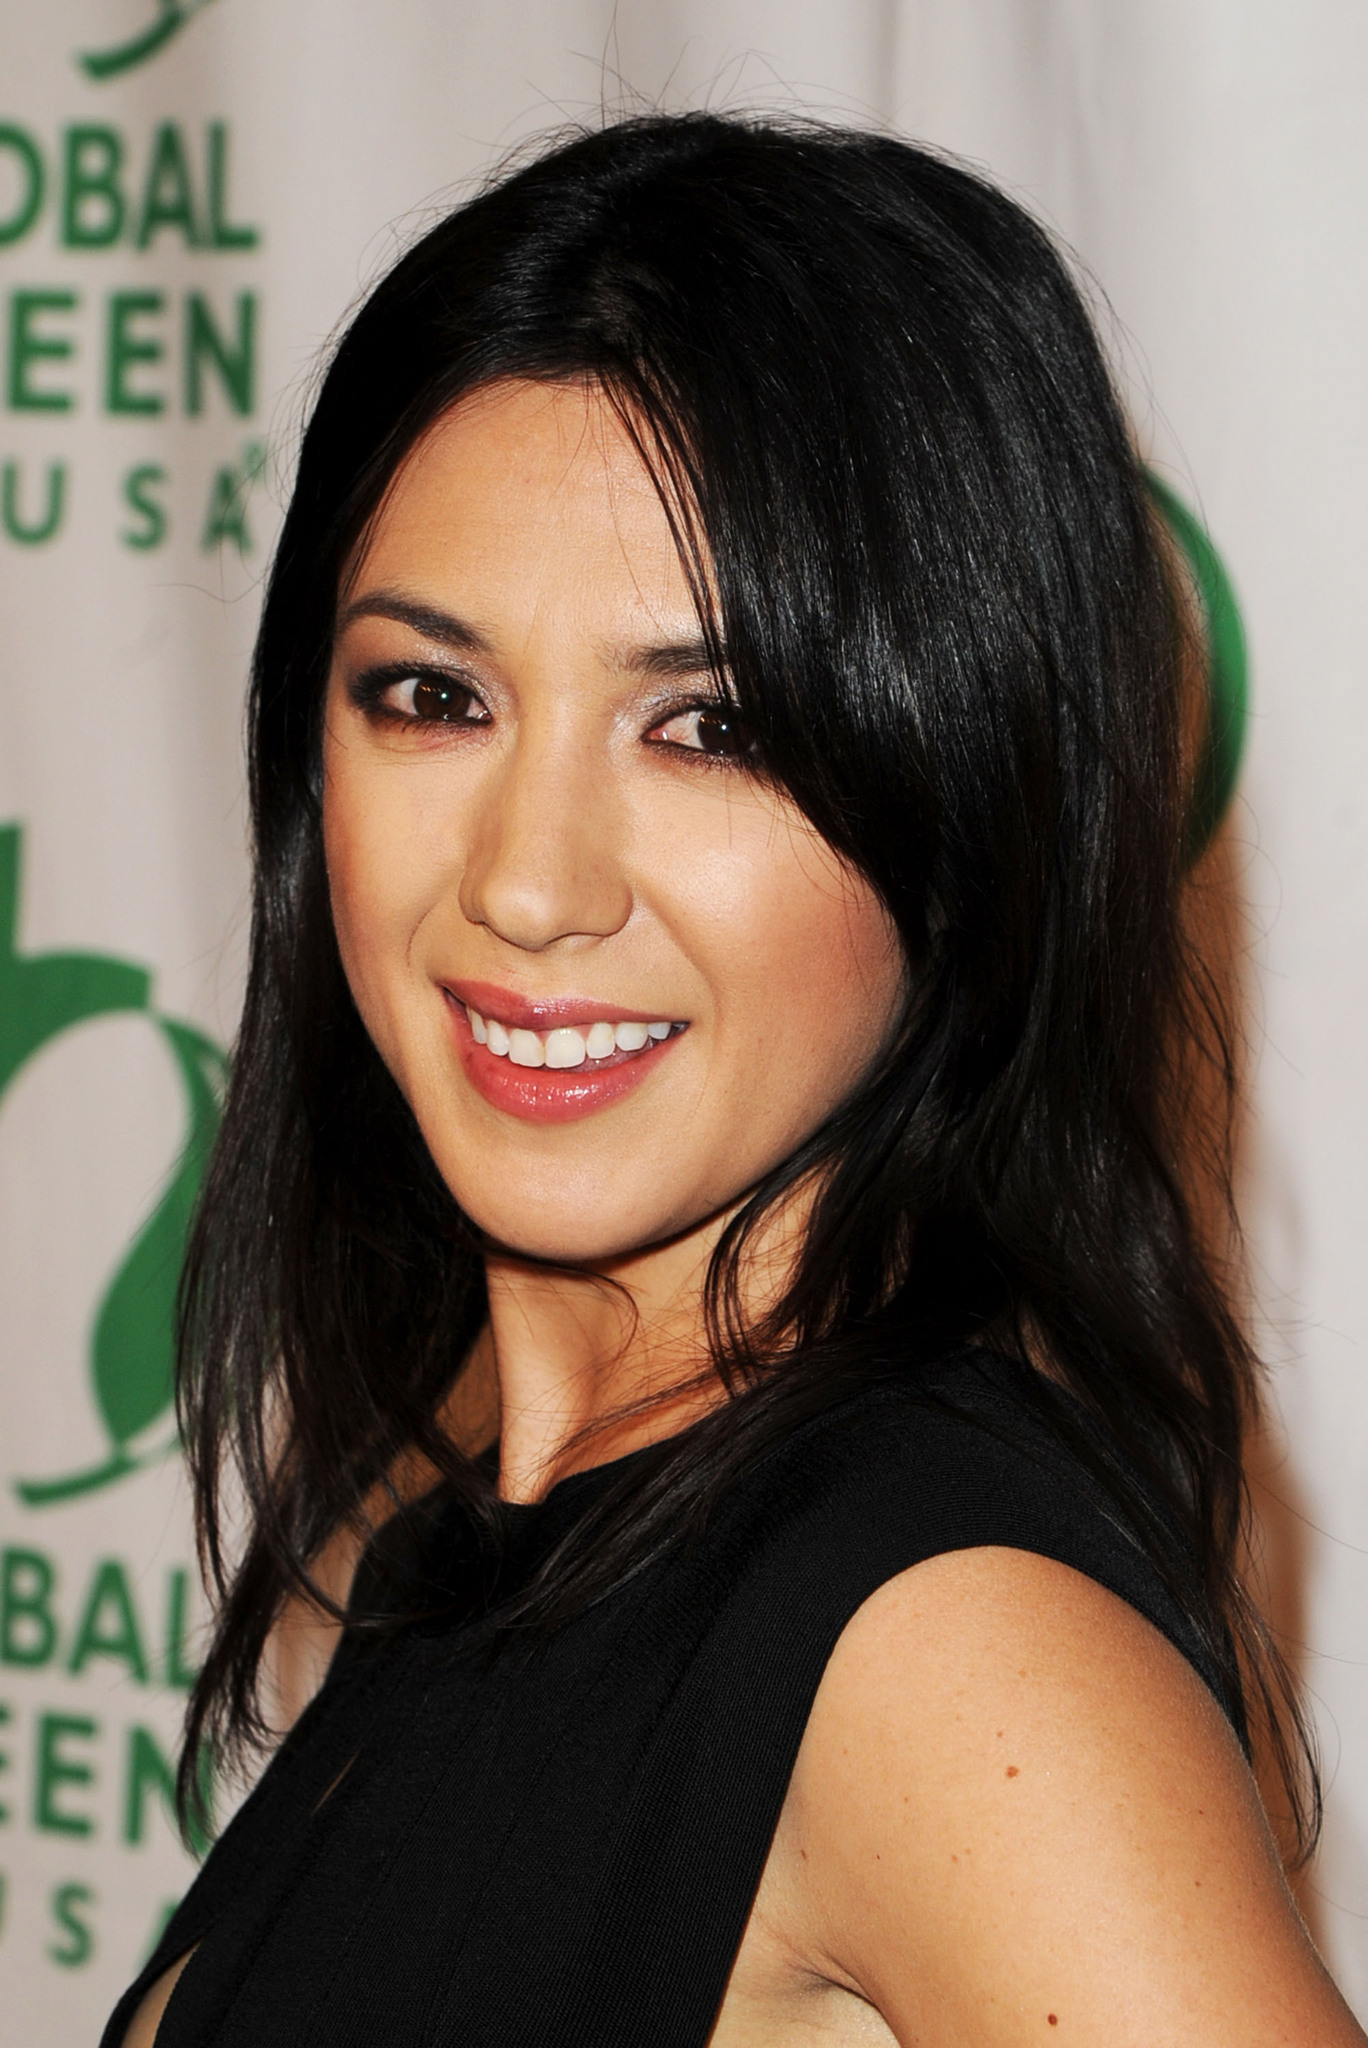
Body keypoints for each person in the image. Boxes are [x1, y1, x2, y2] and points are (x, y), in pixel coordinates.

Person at [107, 112, 1364, 2047]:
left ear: (964, 807)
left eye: (709, 728)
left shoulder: (941, 1645)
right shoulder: (482, 1556)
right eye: (434, 696)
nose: (528, 885)